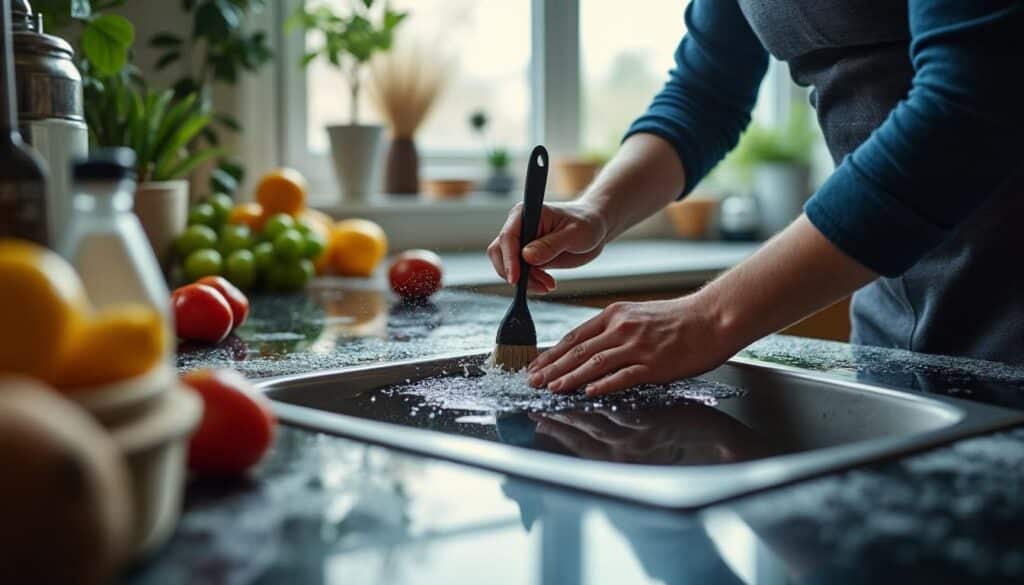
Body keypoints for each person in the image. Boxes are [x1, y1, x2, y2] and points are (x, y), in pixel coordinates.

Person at [488, 0, 1024, 397]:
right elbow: (704, 94)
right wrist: (597, 209)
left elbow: (968, 107)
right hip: (889, 331)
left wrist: (709, 317)